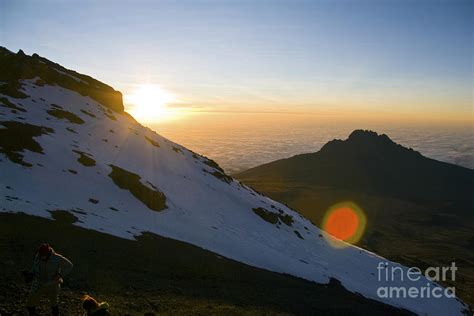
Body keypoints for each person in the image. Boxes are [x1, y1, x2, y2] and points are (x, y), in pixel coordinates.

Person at [25, 243, 73, 316]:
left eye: (43, 255)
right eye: (41, 255)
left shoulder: (57, 258)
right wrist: (30, 274)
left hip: (53, 283)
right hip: (39, 282)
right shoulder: (38, 256)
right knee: (31, 301)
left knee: (54, 302)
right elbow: (34, 267)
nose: (42, 257)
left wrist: (60, 275)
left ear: (48, 253)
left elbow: (69, 265)